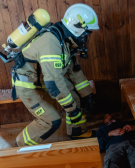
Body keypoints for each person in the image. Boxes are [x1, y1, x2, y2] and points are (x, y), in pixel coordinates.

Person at [13, 4, 99, 147]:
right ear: (77, 27)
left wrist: (87, 95)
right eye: (86, 33)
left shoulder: (64, 41)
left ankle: (77, 132)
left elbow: (74, 71)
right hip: (28, 85)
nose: (86, 38)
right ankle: (20, 146)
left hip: (43, 80)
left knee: (76, 99)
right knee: (51, 120)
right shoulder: (51, 43)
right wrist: (71, 110)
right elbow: (53, 84)